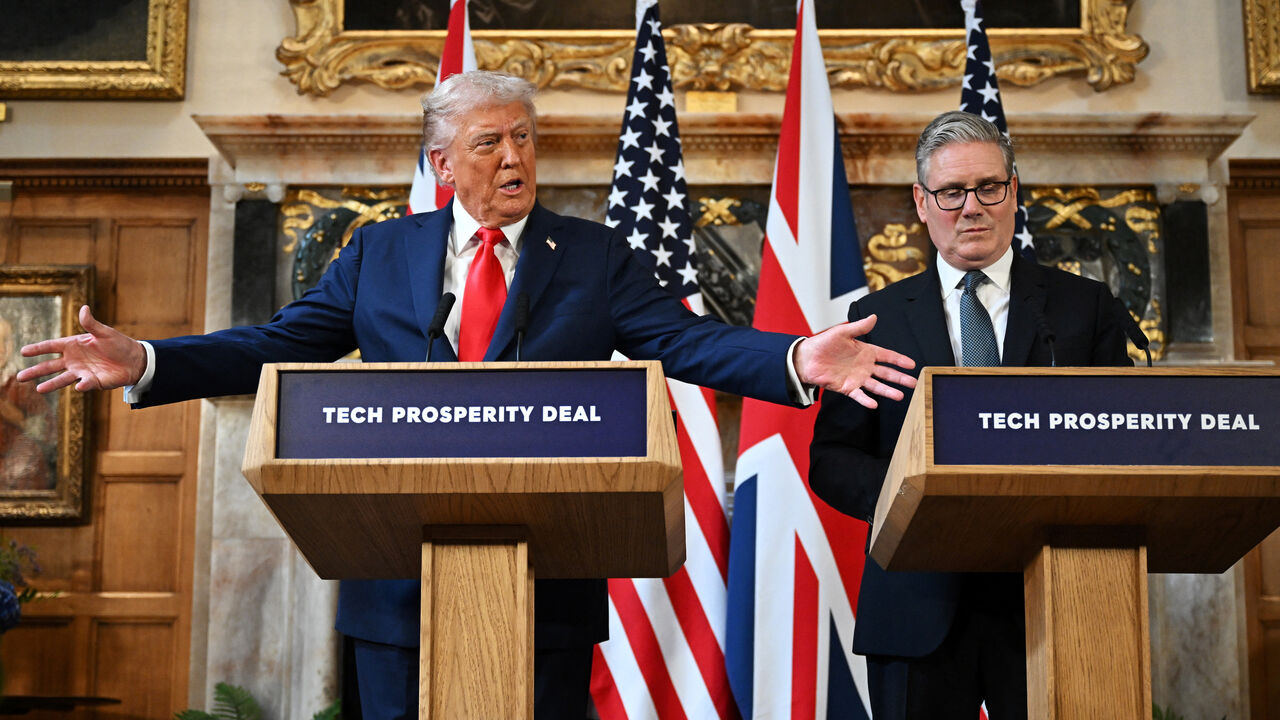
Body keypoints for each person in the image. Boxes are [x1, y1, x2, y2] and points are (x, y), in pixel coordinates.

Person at [19, 71, 917, 720]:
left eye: (525, 137)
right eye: (489, 142)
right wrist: (144, 360)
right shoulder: (381, 253)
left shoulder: (594, 258)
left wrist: (800, 358)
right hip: (395, 589)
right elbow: (282, 345)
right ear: (443, 163)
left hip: (548, 588)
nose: (514, 156)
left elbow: (686, 341)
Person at [809, 110, 1132, 719]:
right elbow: (831, 460)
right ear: (922, 202)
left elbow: (1122, 441)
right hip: (916, 602)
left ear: (1014, 192)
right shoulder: (877, 316)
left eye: (989, 187)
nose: (972, 207)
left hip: (1050, 603)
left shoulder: (1082, 308)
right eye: (952, 192)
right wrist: (923, 496)